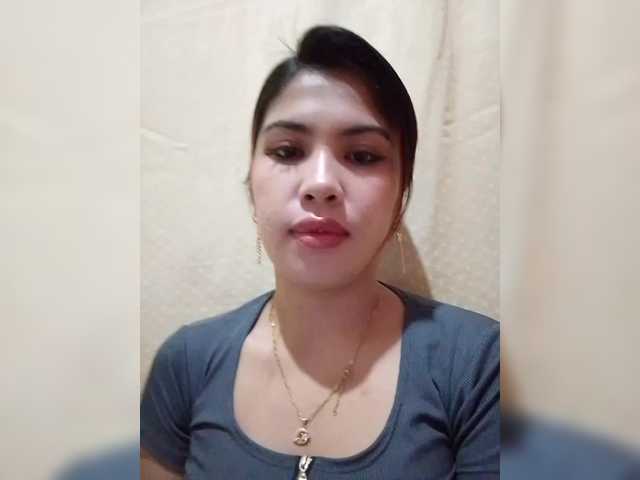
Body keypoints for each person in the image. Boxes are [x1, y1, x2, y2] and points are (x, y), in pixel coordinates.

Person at [141, 25, 499, 479]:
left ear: (400, 196)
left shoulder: (479, 367)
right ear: (251, 187)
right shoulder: (185, 363)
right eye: (288, 151)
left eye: (363, 155)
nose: (321, 184)